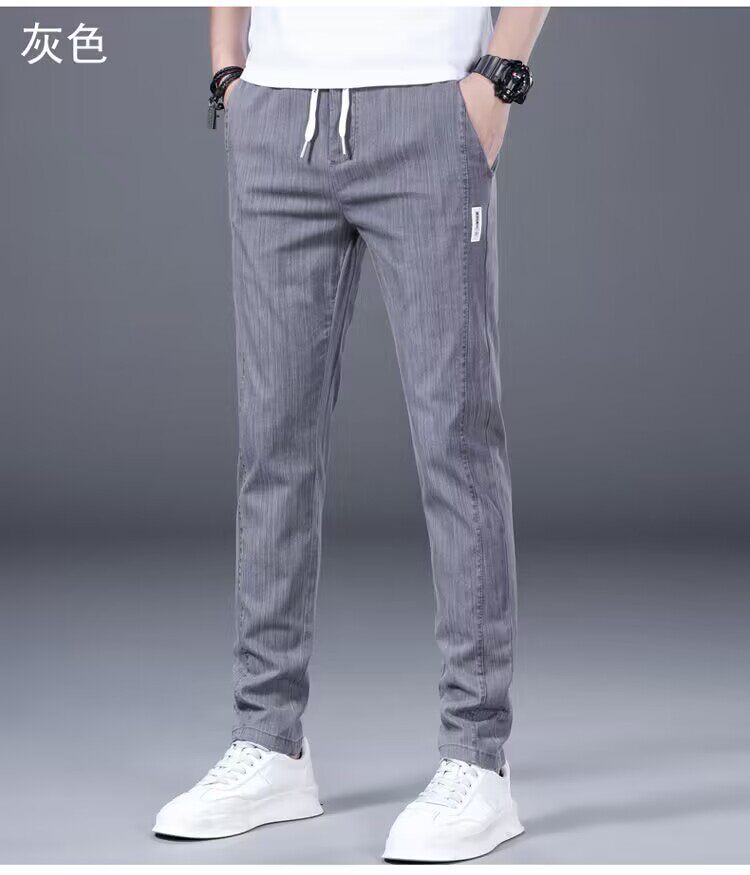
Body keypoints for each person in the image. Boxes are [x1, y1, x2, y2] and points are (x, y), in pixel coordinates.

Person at [154, 5, 548, 862]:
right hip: (276, 116)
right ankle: (269, 742)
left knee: (457, 437)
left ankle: (478, 757)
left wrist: (499, 77)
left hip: (430, 107)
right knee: (273, 444)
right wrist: (228, 72)